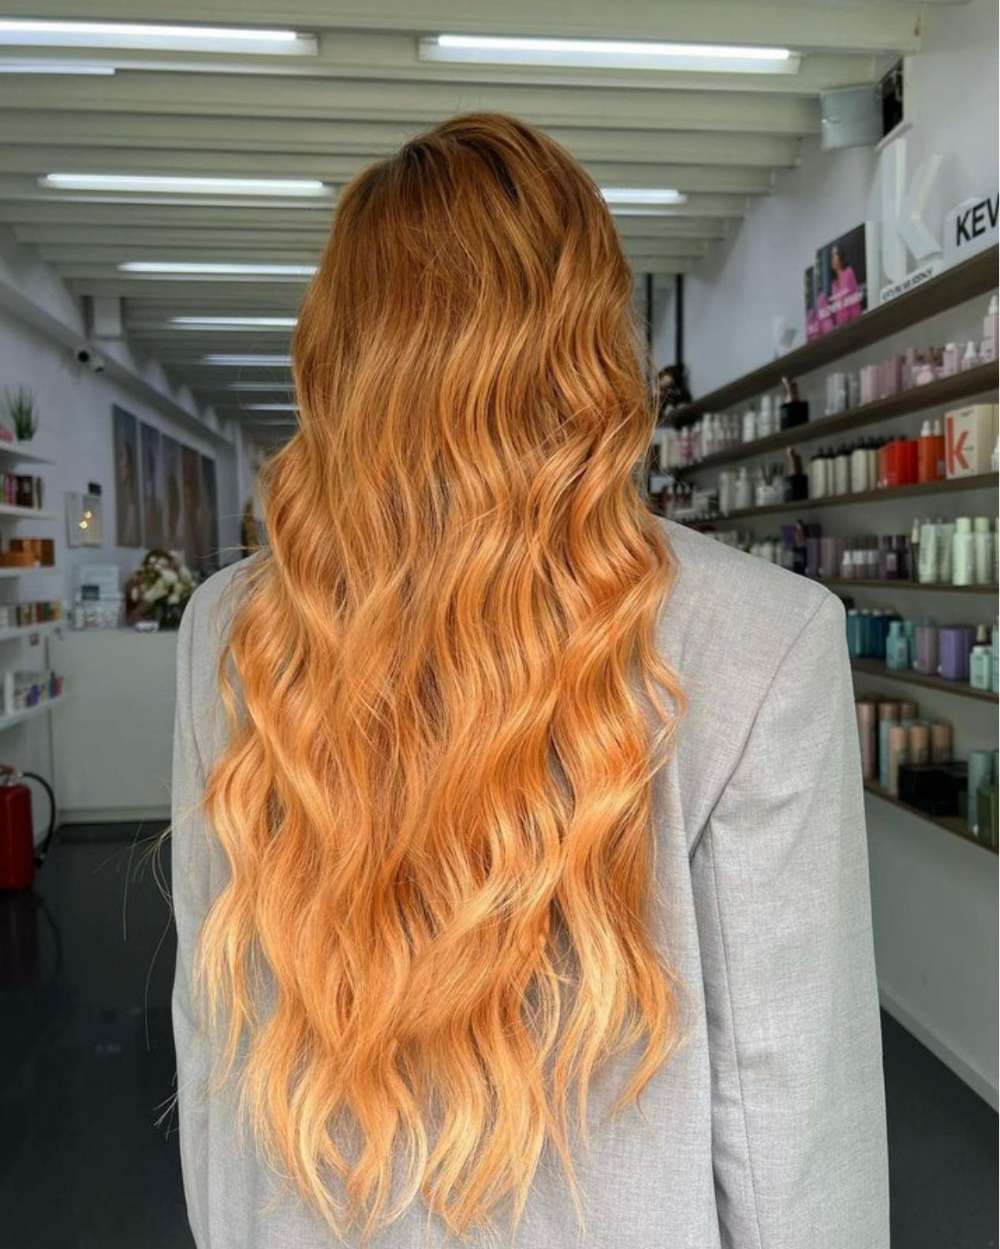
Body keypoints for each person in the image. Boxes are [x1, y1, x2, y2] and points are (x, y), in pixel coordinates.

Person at [171, 113, 889, 1249]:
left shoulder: (239, 629)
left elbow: (217, 1037)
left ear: (340, 351)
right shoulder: (764, 634)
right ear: (591, 341)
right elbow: (788, 1100)